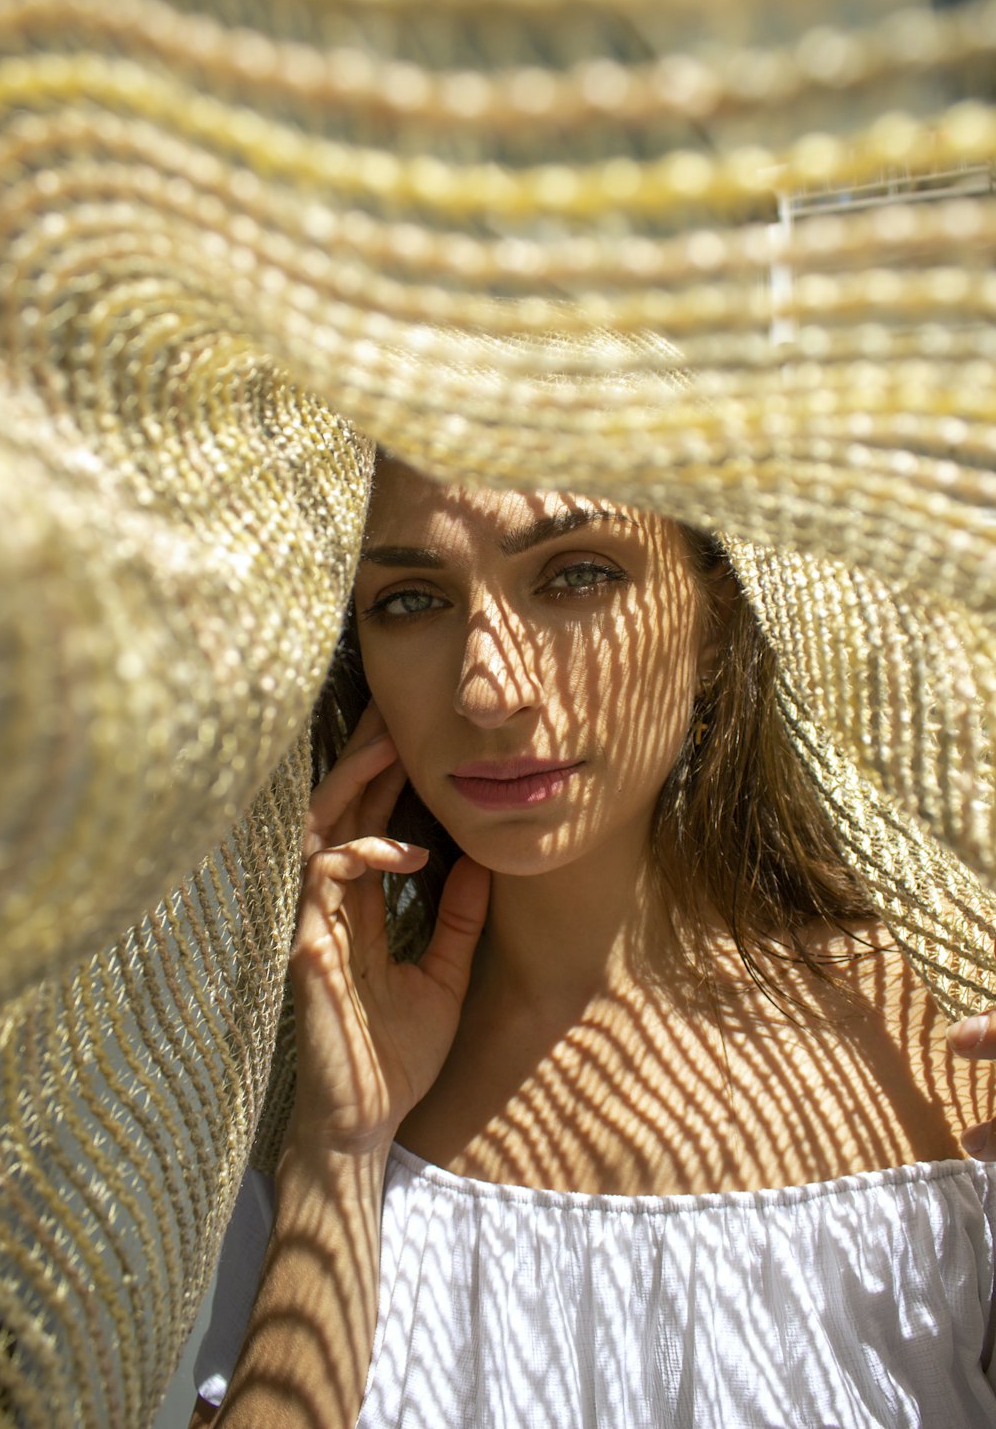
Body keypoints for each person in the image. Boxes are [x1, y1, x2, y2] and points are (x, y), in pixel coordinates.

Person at [191, 456, 996, 1428]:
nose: (488, 691)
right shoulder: (304, 1089)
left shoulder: (957, 1053)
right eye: (409, 600)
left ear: (715, 620)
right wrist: (341, 1149)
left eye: (575, 576)